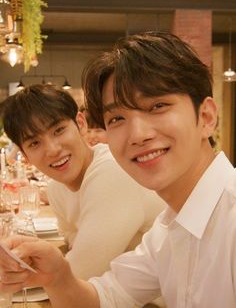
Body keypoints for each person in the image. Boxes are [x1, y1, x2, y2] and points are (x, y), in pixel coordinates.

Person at [0, 30, 231, 308]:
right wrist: (57, 275)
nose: (137, 133)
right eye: (118, 118)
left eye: (157, 106)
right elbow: (101, 304)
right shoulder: (170, 227)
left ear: (206, 116)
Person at [1, 84, 166, 280]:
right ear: (24, 155)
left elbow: (82, 272)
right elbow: (73, 246)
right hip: (113, 299)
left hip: (158, 307)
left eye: (58, 130)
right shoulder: (56, 189)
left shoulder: (112, 170)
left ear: (80, 123)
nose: (53, 149)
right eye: (35, 143)